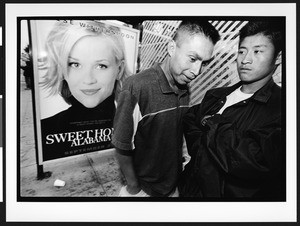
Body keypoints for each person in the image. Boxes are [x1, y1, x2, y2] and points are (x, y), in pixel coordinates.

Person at [112, 20, 220, 197]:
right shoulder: (137, 87)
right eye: (192, 59)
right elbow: (122, 145)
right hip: (144, 190)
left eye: (204, 63)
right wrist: (134, 188)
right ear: (171, 48)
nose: (197, 71)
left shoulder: (185, 87)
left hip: (173, 186)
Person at [179, 20, 284, 200]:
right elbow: (190, 119)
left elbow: (255, 160)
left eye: (257, 51)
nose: (245, 59)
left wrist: (212, 124)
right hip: (189, 190)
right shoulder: (215, 95)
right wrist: (207, 145)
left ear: (278, 57)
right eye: (242, 51)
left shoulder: (282, 108)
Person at [40, 20, 130, 161]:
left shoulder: (131, 126)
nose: (88, 80)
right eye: (75, 64)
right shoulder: (45, 129)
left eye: (101, 66)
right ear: (62, 69)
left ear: (119, 69)